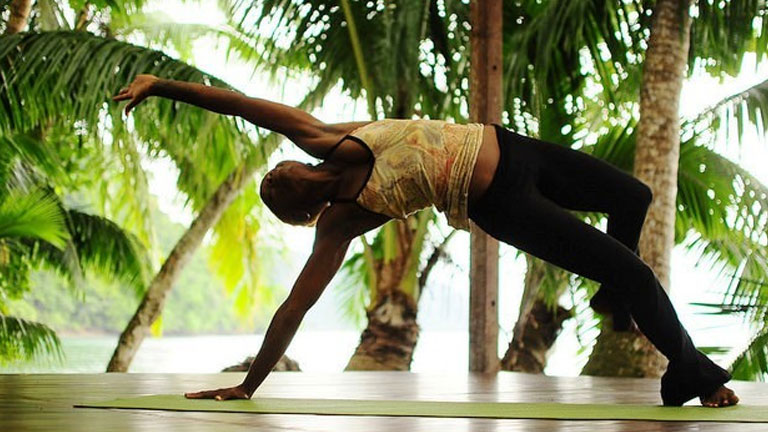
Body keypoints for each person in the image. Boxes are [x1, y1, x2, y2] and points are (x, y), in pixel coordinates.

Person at [113, 74, 740, 408]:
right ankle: (693, 375)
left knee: (632, 197)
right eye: (278, 185)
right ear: (303, 204)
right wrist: (250, 384)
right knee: (635, 273)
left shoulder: (321, 136)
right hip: (502, 203)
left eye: (276, 172)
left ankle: (613, 296)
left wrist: (160, 85)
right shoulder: (341, 222)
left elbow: (241, 105)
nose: (276, 171)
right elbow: (296, 305)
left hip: (514, 147)